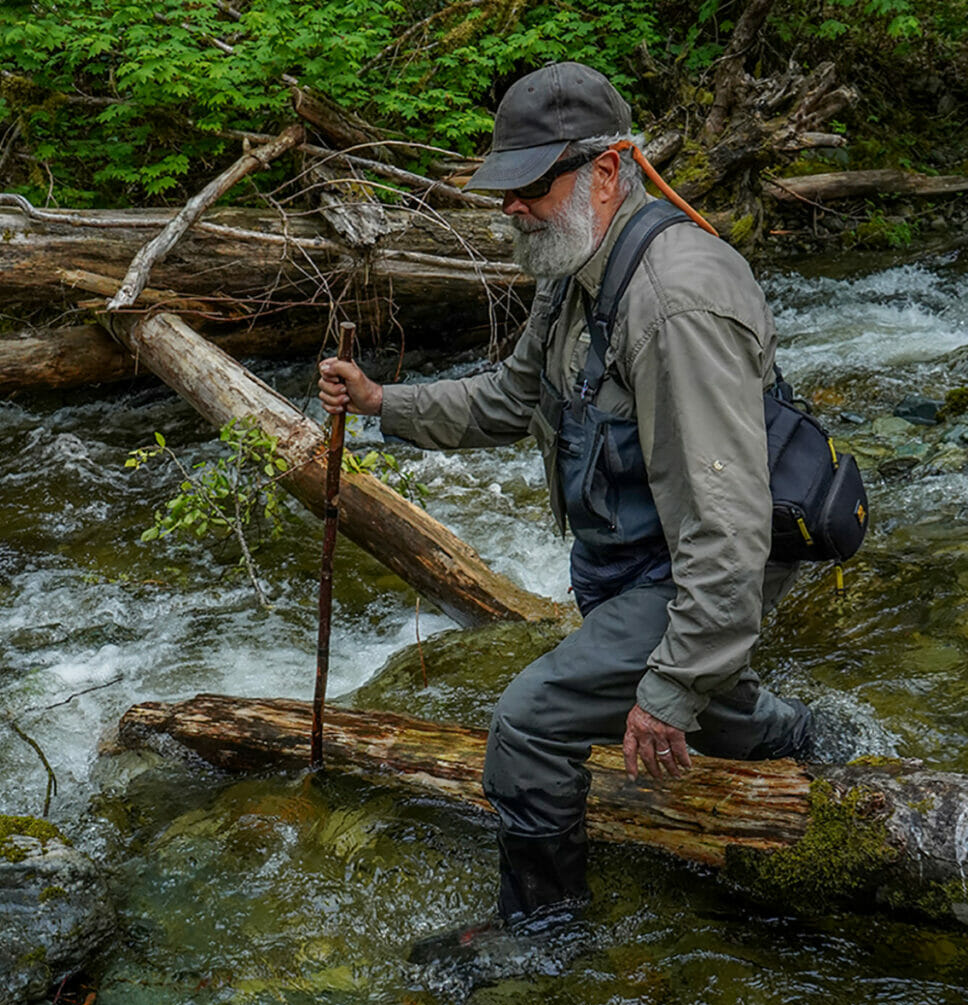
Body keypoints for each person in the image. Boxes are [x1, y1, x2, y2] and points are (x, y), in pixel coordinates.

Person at [318, 61, 811, 943]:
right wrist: (381, 402)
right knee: (696, 702)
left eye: (529, 186)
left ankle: (545, 932)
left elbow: (726, 526)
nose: (509, 206)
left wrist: (666, 689)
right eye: (504, 186)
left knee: (530, 723)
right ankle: (802, 745)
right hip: (642, 559)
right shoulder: (574, 272)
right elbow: (510, 401)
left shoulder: (673, 302)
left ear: (607, 171)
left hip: (692, 565)